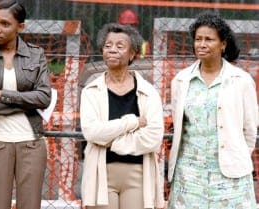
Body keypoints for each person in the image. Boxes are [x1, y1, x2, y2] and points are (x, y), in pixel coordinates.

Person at [167, 10, 258, 209]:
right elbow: (180, 125)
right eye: (198, 39)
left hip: (230, 177)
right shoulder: (181, 81)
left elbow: (250, 130)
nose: (202, 44)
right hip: (189, 176)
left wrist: (235, 156)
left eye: (209, 39)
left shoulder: (241, 81)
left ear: (223, 44)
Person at [0, 1, 51, 209]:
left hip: (31, 143)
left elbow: (44, 97)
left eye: (5, 24)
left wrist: (3, 94)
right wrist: (27, 102)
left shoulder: (36, 54)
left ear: (20, 27)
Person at [80, 23, 165, 209]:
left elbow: (153, 138)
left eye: (120, 46)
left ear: (132, 54)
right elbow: (92, 132)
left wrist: (112, 141)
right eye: (107, 45)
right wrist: (132, 123)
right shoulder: (91, 90)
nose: (112, 50)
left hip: (138, 174)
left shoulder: (148, 92)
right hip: (101, 173)